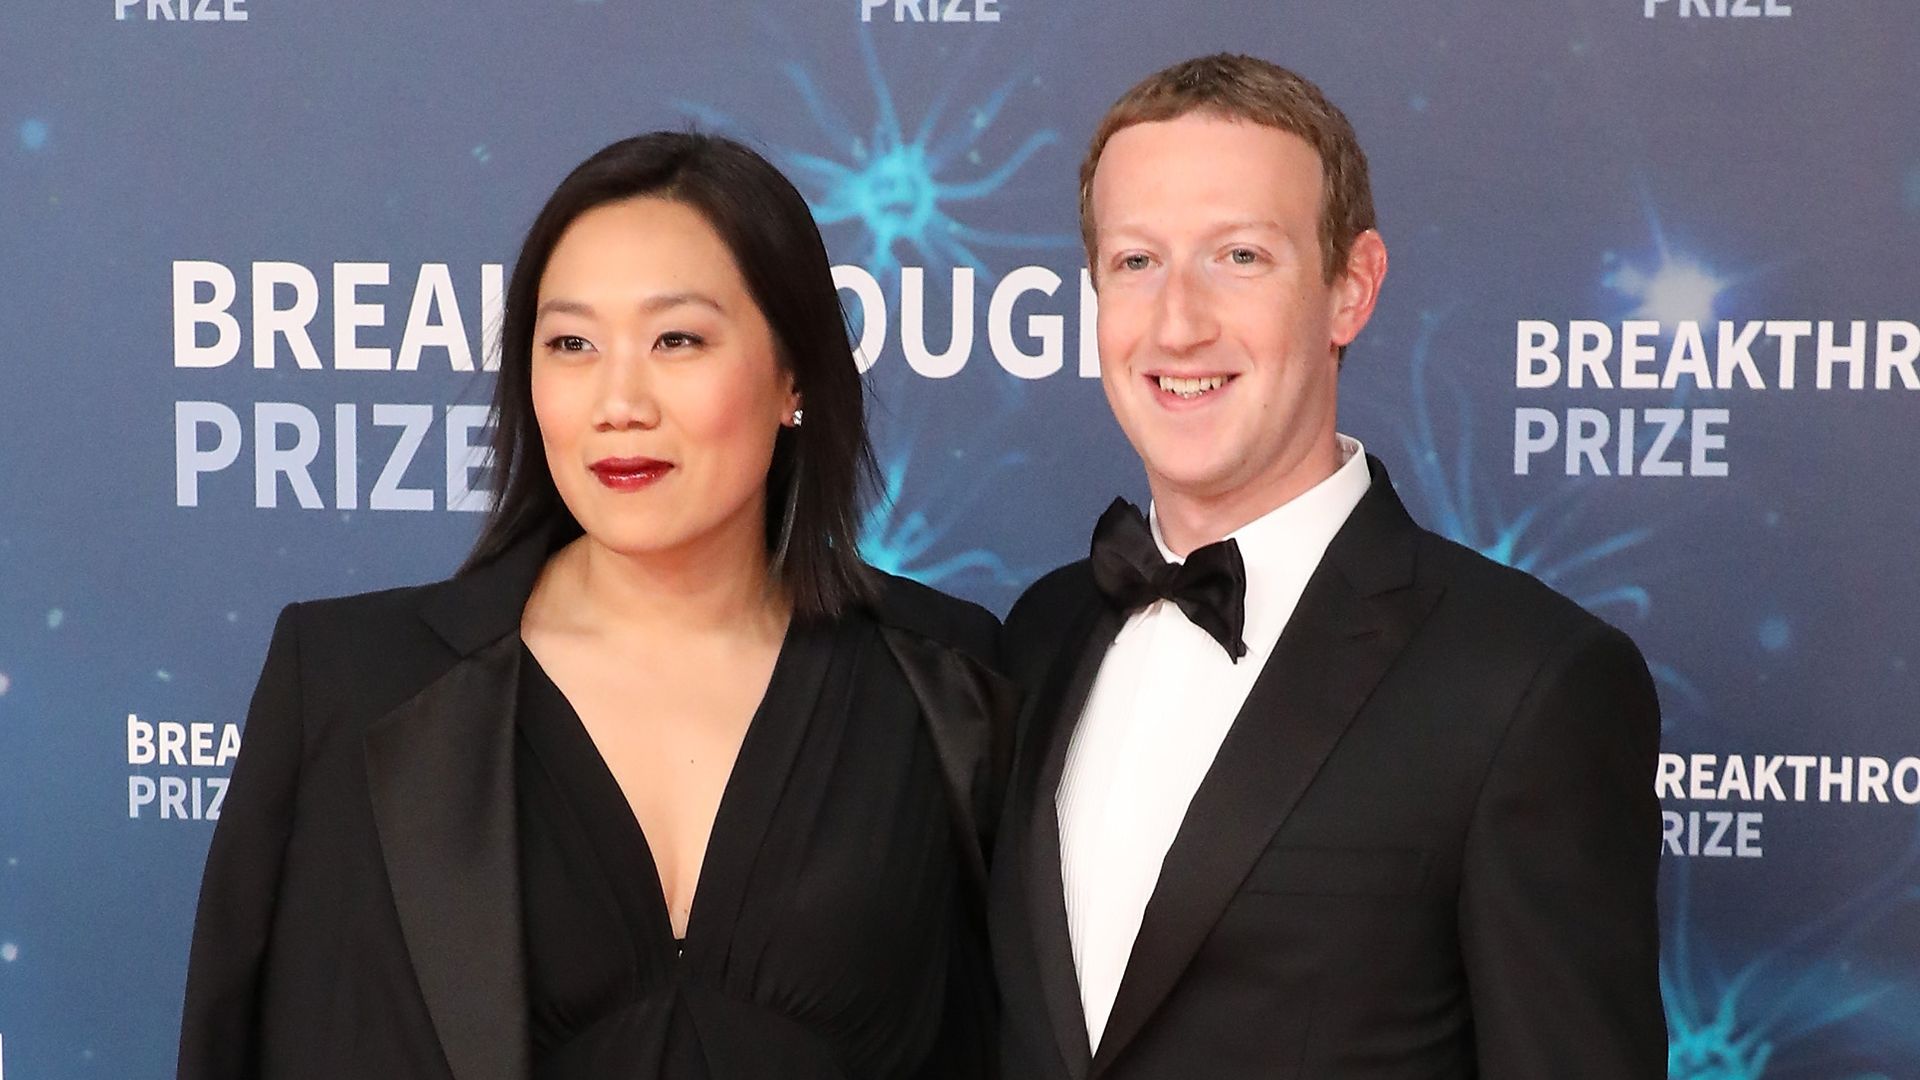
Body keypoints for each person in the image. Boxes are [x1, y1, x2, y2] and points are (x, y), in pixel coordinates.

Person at [178, 132, 1013, 1080]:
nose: (619, 400)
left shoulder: (949, 685)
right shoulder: (344, 682)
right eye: (571, 344)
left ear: (795, 379)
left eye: (677, 340)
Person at [990, 54, 1665, 1078]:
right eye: (1136, 263)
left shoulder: (1528, 683)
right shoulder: (1042, 632)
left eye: (1240, 258)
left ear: (1351, 289)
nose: (1178, 323)